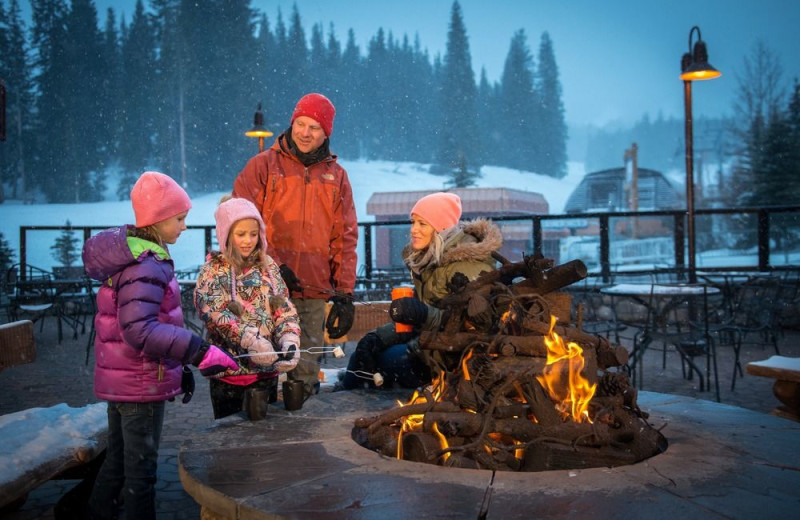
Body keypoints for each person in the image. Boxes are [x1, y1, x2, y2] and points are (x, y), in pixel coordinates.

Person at [81, 171, 240, 520]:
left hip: (125, 380)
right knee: (141, 473)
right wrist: (198, 350)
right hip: (140, 385)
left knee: (119, 463)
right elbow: (141, 331)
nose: (184, 226)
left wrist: (176, 366)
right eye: (180, 219)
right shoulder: (146, 265)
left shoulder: (133, 257)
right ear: (158, 219)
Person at [233, 92, 358, 395]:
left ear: (326, 132)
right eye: (301, 124)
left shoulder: (337, 178)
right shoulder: (262, 167)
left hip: (313, 292)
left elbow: (345, 238)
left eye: (314, 128)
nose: (305, 133)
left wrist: (344, 294)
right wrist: (271, 268)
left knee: (304, 377)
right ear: (292, 124)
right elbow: (239, 223)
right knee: (261, 370)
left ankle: (304, 430)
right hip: (264, 289)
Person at [340, 192, 503, 390]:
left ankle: (357, 398)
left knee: (387, 361)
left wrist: (424, 314)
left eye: (422, 224)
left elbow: (474, 324)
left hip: (453, 357)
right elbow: (415, 322)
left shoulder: (467, 266)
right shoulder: (429, 260)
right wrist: (378, 337)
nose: (413, 230)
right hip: (429, 345)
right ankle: (350, 394)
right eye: (413, 222)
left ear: (441, 228)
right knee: (364, 353)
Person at [194, 196, 302, 419]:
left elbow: (284, 308)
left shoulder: (268, 266)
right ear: (226, 234)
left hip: (266, 374)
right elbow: (214, 312)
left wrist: (289, 338)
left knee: (264, 438)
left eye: (253, 234)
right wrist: (250, 340)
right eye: (240, 234)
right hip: (229, 375)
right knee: (232, 436)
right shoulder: (214, 270)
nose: (248, 241)